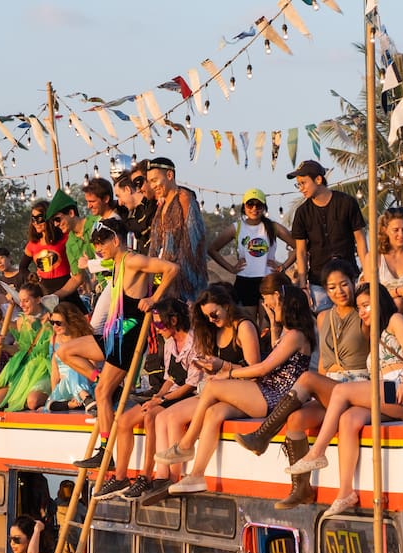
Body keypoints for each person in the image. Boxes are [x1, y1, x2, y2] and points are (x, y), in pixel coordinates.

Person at [156, 285, 315, 494]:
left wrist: (226, 371)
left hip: (271, 394)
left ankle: (186, 445)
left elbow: (261, 369)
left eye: (275, 306)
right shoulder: (288, 334)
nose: (271, 308)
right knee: (211, 413)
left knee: (212, 387)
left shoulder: (291, 334)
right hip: (259, 391)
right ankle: (195, 476)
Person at [281, 284, 403, 514]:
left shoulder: (395, 319)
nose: (362, 312)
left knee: (341, 391)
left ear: (379, 302)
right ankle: (345, 491)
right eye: (359, 308)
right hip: (385, 391)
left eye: (366, 305)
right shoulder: (374, 333)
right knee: (347, 419)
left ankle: (317, 452)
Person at [237, 262, 370, 509]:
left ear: (354, 283)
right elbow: (323, 363)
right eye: (332, 287)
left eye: (344, 284)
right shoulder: (324, 317)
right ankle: (301, 489)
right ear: (325, 291)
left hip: (357, 386)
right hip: (331, 387)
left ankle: (262, 435)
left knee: (307, 378)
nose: (339, 291)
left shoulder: (364, 313)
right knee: (296, 419)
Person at [58, 219, 179, 470]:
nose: (98, 248)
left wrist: (153, 298)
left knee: (101, 393)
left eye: (102, 243)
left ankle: (105, 453)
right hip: (112, 335)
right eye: (95, 244)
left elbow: (171, 268)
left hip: (126, 337)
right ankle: (100, 380)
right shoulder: (116, 263)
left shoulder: (132, 260)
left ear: (115, 240)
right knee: (65, 351)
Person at [138, 284, 261, 504]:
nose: (211, 320)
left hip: (242, 390)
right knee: (165, 417)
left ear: (227, 306)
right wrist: (208, 367)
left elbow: (255, 371)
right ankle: (163, 478)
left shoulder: (243, 327)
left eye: (214, 314)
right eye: (207, 317)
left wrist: (222, 366)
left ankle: (180, 462)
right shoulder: (213, 330)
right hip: (217, 390)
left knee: (196, 411)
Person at [95, 299, 200, 500]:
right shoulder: (169, 343)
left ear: (174, 320)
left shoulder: (194, 342)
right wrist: (158, 396)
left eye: (159, 323)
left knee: (151, 416)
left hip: (188, 395)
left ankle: (146, 476)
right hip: (171, 393)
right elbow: (170, 378)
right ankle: (120, 477)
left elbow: (190, 384)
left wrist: (160, 400)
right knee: (123, 421)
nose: (157, 329)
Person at [287, 160, 368, 312]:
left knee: (354, 317)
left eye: (303, 183)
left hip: (349, 278)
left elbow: (361, 240)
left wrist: (367, 274)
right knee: (323, 321)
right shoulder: (302, 213)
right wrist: (303, 286)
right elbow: (301, 252)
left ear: (318, 179)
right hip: (319, 283)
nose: (301, 188)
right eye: (298, 184)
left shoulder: (347, 203)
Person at [207, 188, 296, 307]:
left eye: (258, 205)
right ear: (244, 206)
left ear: (264, 207)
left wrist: (283, 266)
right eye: (250, 204)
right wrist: (231, 268)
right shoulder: (236, 227)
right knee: (248, 316)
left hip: (268, 280)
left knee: (268, 316)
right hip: (245, 279)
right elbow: (212, 250)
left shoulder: (273, 227)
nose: (254, 208)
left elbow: (299, 247)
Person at [145, 157, 209, 302]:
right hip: (165, 276)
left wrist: (182, 280)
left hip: (185, 282)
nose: (152, 186)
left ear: (169, 175)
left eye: (154, 180)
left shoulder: (184, 198)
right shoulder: (162, 203)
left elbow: (194, 242)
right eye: (149, 181)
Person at [0, 285, 54, 412]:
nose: (22, 305)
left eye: (26, 301)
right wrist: (4, 346)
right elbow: (22, 350)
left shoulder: (53, 320)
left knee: (32, 402)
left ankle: (49, 400)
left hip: (44, 368)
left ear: (38, 300)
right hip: (23, 369)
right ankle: (20, 399)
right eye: (20, 301)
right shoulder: (21, 321)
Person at [43, 190, 100, 305]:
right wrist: (55, 296)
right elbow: (77, 278)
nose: (56, 224)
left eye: (57, 219)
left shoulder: (97, 222)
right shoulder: (70, 244)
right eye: (53, 222)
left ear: (71, 213)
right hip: (104, 286)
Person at [43, 303, 95, 412]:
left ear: (70, 321)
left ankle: (76, 400)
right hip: (64, 386)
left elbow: (93, 370)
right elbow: (55, 373)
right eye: (52, 322)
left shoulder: (85, 338)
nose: (54, 326)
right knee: (72, 370)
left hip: (85, 381)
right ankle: (85, 398)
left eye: (58, 323)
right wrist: (54, 394)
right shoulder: (54, 339)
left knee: (74, 369)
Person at [22, 202, 72, 298]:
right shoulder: (32, 245)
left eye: (39, 218)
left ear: (48, 217)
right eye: (33, 219)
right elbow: (22, 268)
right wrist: (31, 276)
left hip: (67, 288)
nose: (35, 223)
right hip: (45, 291)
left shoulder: (65, 238)